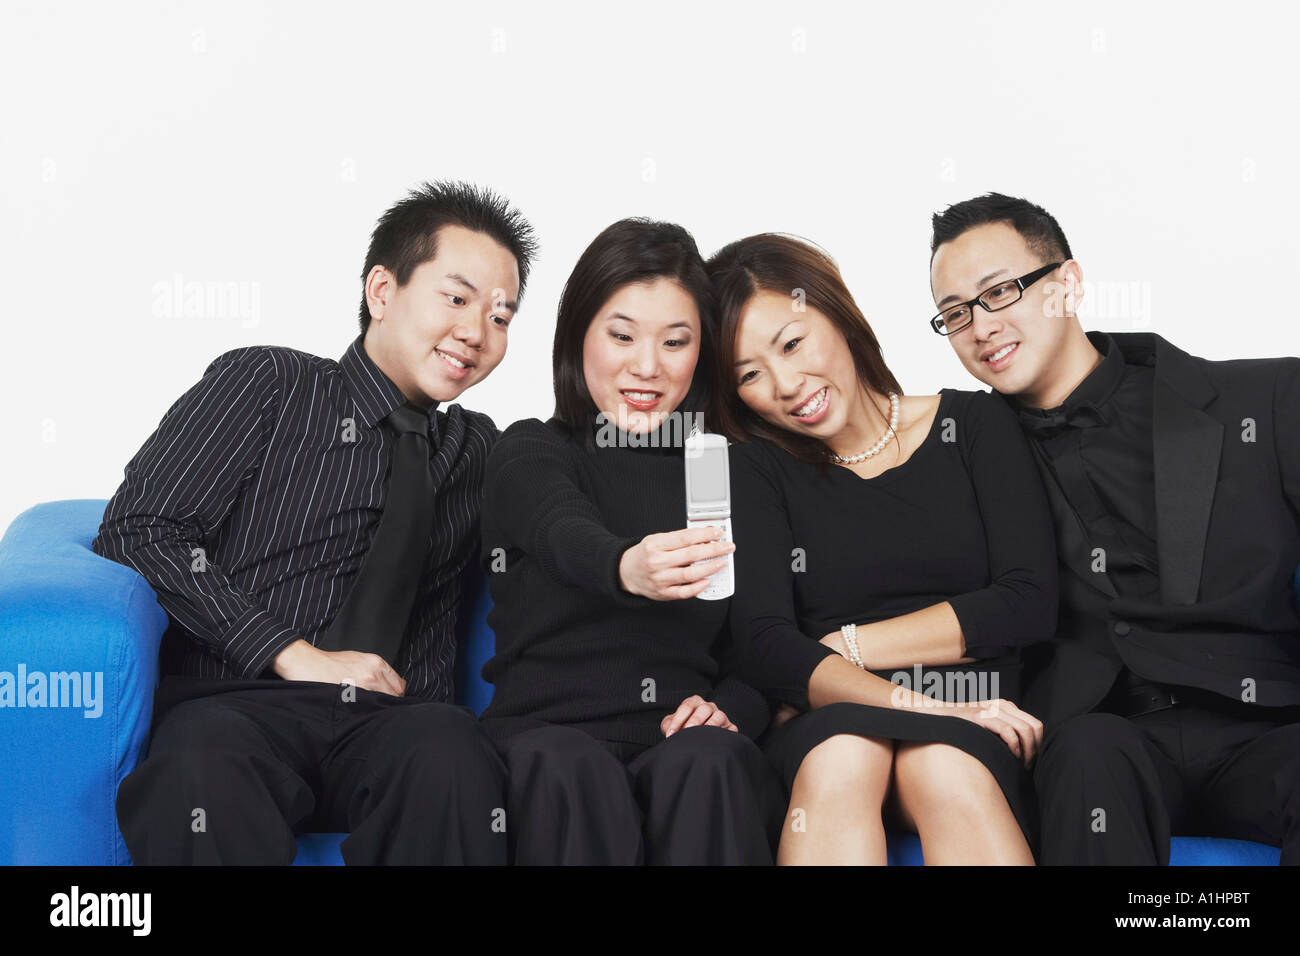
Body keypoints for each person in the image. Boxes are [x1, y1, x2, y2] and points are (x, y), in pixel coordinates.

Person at [92, 180, 537, 864]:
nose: (477, 333)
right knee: (199, 773)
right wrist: (291, 652)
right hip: (241, 704)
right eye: (456, 298)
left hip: (397, 721)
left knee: (455, 758)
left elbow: (574, 503)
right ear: (382, 292)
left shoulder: (478, 450)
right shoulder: (269, 384)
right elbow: (139, 530)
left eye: (502, 317)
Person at [928, 191, 1300, 865]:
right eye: (955, 313)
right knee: (1089, 757)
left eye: (1000, 293)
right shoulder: (957, 457)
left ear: (1066, 285)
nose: (979, 327)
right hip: (1102, 735)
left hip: (1269, 723)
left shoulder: (1266, 401)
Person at [708, 233, 1058, 865]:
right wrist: (926, 707)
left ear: (839, 315)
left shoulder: (972, 426)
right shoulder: (757, 468)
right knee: (848, 754)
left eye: (792, 344)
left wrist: (845, 646)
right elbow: (763, 642)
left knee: (944, 764)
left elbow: (1027, 601)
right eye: (751, 375)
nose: (787, 384)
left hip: (974, 707)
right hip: (840, 719)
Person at [478, 218, 785, 865]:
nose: (646, 367)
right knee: (568, 770)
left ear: (701, 351)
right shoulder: (530, 449)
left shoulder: (727, 469)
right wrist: (624, 566)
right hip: (543, 736)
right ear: (578, 334)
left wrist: (728, 708)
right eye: (621, 336)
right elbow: (559, 528)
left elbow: (763, 645)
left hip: (682, 736)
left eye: (675, 341)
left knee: (708, 764)